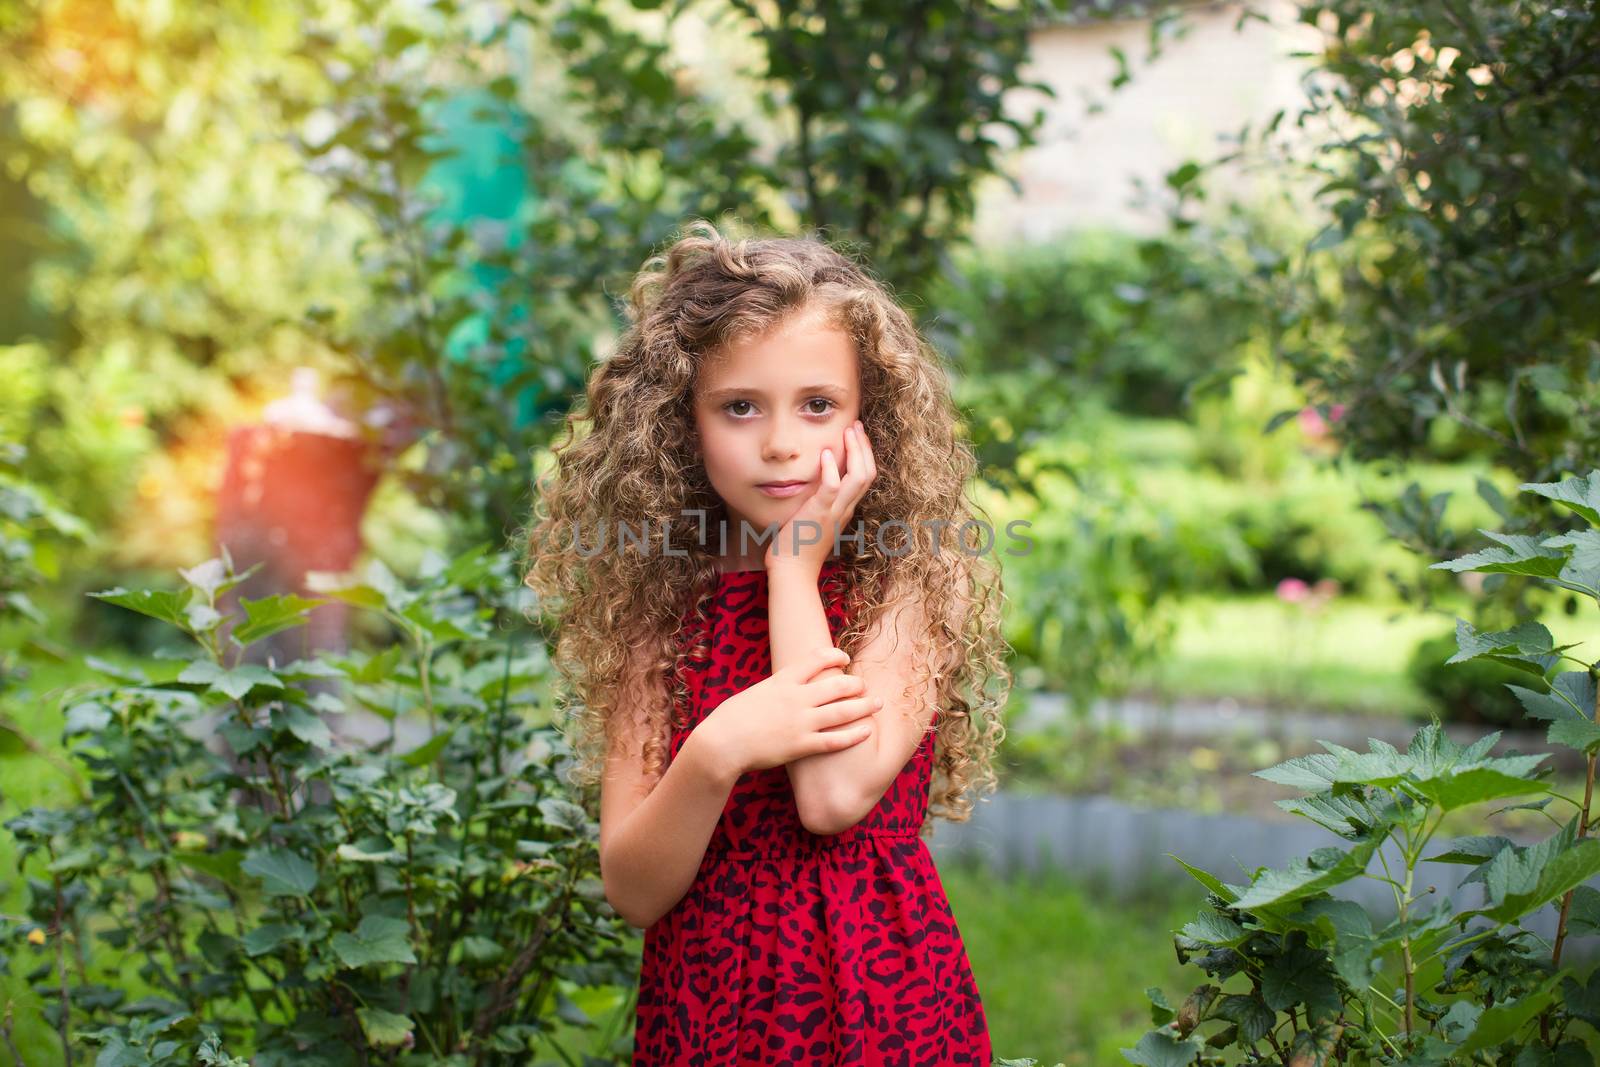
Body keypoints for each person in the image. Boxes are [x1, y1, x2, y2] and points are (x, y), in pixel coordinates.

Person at [522, 220, 1010, 1066]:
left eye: (818, 405)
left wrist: (792, 567)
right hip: (709, 1002)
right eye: (740, 406)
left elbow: (830, 796)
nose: (782, 442)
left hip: (879, 995)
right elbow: (634, 889)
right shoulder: (666, 607)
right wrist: (717, 750)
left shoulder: (913, 581)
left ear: (871, 422)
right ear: (683, 422)